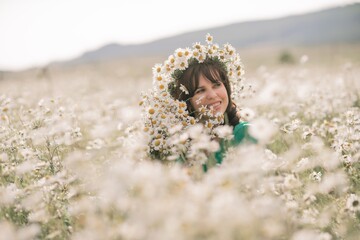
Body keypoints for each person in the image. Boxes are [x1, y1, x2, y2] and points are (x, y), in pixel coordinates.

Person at [141, 34, 256, 171]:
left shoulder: (245, 133)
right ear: (185, 103)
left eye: (216, 85)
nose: (212, 95)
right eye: (200, 91)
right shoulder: (181, 150)